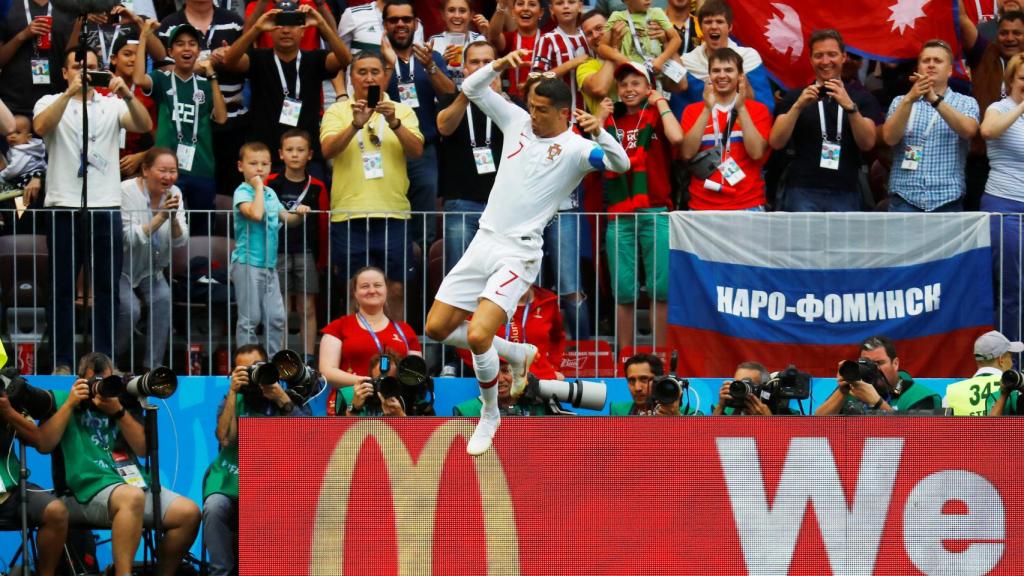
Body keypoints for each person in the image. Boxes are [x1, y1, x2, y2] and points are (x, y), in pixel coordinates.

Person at [423, 48, 629, 456]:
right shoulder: (516, 120)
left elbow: (619, 163)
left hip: (518, 253)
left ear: (564, 113)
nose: (531, 114)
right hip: (484, 239)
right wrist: (499, 64)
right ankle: (516, 354)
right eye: (531, 106)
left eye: (540, 109)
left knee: (480, 333)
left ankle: (490, 414)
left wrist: (600, 130)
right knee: (435, 330)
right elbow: (471, 87)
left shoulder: (575, 149)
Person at [32, 46, 153, 374]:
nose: (85, 73)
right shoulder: (48, 101)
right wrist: (70, 93)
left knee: (106, 289)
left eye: (93, 67)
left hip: (105, 204)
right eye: (78, 66)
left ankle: (104, 362)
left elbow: (143, 124)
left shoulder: (112, 105)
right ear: (64, 72)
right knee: (61, 288)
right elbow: (41, 126)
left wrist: (128, 93)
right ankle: (61, 361)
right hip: (62, 204)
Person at [36, 353, 200, 576]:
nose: (102, 389)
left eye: (108, 382)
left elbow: (143, 449)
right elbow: (43, 445)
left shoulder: (122, 403)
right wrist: (70, 404)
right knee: (131, 497)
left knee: (189, 513)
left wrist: (118, 412)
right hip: (79, 493)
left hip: (129, 485)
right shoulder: (62, 400)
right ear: (79, 380)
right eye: (96, 382)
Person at [320, 51, 424, 323]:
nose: (368, 78)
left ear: (386, 76)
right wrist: (355, 124)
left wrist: (394, 123)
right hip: (348, 214)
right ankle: (350, 356)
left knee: (396, 288)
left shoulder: (402, 110)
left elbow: (416, 151)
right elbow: (328, 149)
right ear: (351, 77)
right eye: (362, 72)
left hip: (393, 213)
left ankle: (398, 355)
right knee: (353, 288)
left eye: (375, 72)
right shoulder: (337, 111)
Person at [203, 344, 310, 576]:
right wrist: (232, 392)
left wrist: (282, 399)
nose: (251, 374)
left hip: (276, 485)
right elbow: (224, 438)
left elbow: (308, 441)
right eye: (243, 370)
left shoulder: (288, 396)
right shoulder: (231, 399)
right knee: (214, 507)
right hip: (234, 478)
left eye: (255, 367)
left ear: (267, 367)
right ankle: (220, 572)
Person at [603, 62, 682, 349]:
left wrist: (660, 100)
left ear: (648, 87)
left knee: (660, 289)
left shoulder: (657, 117)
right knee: (623, 290)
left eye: (636, 83)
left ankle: (659, 355)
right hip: (619, 214)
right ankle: (625, 358)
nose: (628, 89)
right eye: (623, 84)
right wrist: (599, 118)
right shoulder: (612, 122)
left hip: (655, 210)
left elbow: (677, 137)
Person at [222, 1, 351, 175]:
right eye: (279, 25)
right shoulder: (258, 58)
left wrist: (321, 24)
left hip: (306, 155)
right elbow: (229, 61)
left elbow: (344, 59)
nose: (285, 30)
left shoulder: (315, 59)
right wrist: (257, 28)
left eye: (293, 25)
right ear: (270, 29)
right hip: (265, 158)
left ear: (303, 30)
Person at [769, 29, 882, 212]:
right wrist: (798, 107)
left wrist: (850, 108)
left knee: (842, 242)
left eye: (832, 54)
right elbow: (776, 141)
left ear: (844, 57)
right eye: (819, 55)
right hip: (801, 189)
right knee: (803, 242)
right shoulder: (795, 96)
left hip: (846, 190)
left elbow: (868, 143)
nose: (825, 61)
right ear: (811, 59)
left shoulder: (861, 99)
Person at [135, 21, 228, 237]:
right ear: (170, 52)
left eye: (192, 44)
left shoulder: (205, 85)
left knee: (200, 231)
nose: (186, 49)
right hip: (165, 168)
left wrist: (211, 74)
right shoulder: (161, 79)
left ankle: (199, 271)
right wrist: (143, 38)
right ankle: (164, 270)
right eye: (180, 44)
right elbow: (139, 79)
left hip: (201, 166)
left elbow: (222, 118)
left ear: (198, 51)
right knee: (162, 224)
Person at [157, 0, 248, 204]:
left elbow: (247, 65)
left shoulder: (233, 22)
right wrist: (201, 65)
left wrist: (229, 57)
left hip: (231, 121)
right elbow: (162, 71)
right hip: (187, 124)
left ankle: (224, 236)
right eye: (181, 44)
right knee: (182, 195)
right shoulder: (169, 24)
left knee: (229, 193)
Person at [381, 0, 454, 250]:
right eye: (394, 20)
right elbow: (369, 99)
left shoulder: (429, 56)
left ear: (415, 24)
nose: (400, 24)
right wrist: (389, 64)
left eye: (406, 19)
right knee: (388, 215)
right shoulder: (375, 58)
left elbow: (449, 95)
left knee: (424, 221)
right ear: (385, 25)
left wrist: (431, 68)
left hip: (424, 149)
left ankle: (421, 281)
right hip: (386, 149)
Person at [881, 39, 980, 212]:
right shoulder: (900, 101)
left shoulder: (965, 102)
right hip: (904, 199)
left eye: (938, 61)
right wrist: (910, 99)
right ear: (918, 68)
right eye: (926, 61)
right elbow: (889, 138)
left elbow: (969, 131)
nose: (931, 65)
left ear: (950, 71)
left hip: (947, 199)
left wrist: (934, 99)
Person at [232, 141, 310, 357]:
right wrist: (258, 187)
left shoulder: (270, 194)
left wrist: (299, 214)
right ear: (241, 166)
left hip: (269, 265)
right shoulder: (243, 191)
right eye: (253, 163)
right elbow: (256, 214)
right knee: (250, 319)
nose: (260, 169)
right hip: (247, 263)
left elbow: (287, 219)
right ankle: (247, 367)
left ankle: (273, 365)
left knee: (276, 318)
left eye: (265, 164)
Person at [117, 148, 189, 372]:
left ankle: (153, 367)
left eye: (173, 171)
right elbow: (127, 238)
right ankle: (110, 361)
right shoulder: (126, 191)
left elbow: (180, 241)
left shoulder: (174, 191)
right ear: (145, 170)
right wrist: (160, 218)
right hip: (120, 268)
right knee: (131, 310)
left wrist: (173, 219)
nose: (169, 177)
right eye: (163, 171)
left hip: (152, 269)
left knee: (163, 299)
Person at [436, 40, 505, 271]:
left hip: (501, 207)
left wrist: (498, 97)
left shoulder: (511, 104)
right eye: (475, 62)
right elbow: (444, 127)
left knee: (499, 278)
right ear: (464, 69)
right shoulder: (450, 101)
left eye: (488, 62)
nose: (482, 67)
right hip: (461, 203)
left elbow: (526, 135)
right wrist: (468, 92)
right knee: (460, 276)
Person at [318, 266, 422, 415]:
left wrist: (388, 387)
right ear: (355, 293)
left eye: (378, 285)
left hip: (395, 407)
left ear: (386, 289)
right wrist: (369, 383)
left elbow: (415, 374)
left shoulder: (405, 331)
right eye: (365, 286)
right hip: (351, 406)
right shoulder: (338, 327)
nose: (372, 290)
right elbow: (327, 371)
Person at [680, 47, 771, 211]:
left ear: (740, 76)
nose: (722, 75)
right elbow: (687, 153)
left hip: (748, 204)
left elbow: (757, 153)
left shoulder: (758, 110)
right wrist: (706, 109)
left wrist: (741, 108)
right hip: (702, 205)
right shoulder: (693, 111)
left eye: (729, 70)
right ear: (709, 76)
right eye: (716, 70)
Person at [266, 129, 328, 363]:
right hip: (277, 251)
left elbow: (323, 225)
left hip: (306, 251)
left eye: (300, 150)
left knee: (307, 306)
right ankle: (281, 356)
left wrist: (323, 259)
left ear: (310, 155)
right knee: (279, 306)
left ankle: (309, 356)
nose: (294, 155)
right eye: (289, 150)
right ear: (280, 154)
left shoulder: (318, 186)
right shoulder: (271, 183)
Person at [0, 371, 69, 576]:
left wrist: (9, 413)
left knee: (56, 512)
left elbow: (40, 441)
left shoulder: (7, 391)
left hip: (10, 491)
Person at [980, 53, 1024, 346]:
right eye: (1023, 77)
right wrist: (1021, 106)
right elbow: (988, 131)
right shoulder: (999, 108)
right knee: (1011, 289)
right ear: (1010, 80)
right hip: (1006, 208)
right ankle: (1011, 361)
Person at [958, 6, 1022, 208]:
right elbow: (961, 18)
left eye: (1017, 33)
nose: (1009, 38)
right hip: (981, 158)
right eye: (1004, 33)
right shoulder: (984, 53)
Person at [673, 1, 773, 117]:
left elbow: (765, 108)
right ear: (700, 27)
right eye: (708, 22)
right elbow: (679, 111)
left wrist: (741, 80)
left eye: (719, 22)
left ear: (730, 27)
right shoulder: (688, 62)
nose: (714, 27)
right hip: (703, 132)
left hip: (742, 130)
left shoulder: (748, 57)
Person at [814, 336, 942, 415]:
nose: (874, 369)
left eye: (879, 363)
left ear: (895, 363)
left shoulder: (919, 396)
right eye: (867, 363)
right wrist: (842, 391)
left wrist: (877, 403)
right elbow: (816, 426)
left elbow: (921, 439)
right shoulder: (853, 389)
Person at [0, 0, 74, 117]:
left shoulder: (67, 7)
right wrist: (23, 35)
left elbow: (72, 57)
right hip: (13, 104)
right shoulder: (7, 6)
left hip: (55, 103)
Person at [103, 32, 158, 179]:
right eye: (127, 54)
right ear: (114, 59)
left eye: (138, 56)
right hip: (99, 166)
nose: (134, 60)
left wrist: (141, 157)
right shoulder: (98, 90)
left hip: (133, 172)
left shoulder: (148, 96)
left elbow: (161, 140)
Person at [602, 0, 682, 81]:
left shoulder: (657, 13)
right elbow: (602, 46)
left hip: (654, 76)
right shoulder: (617, 16)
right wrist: (619, 58)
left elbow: (676, 39)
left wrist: (661, 59)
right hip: (628, 76)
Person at [945, 330, 1019, 415]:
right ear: (1001, 359)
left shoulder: (951, 393)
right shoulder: (1015, 389)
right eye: (1010, 356)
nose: (1012, 362)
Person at [487, 0, 543, 104]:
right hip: (514, 104)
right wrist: (501, 6)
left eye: (532, 4)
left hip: (542, 102)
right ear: (513, 12)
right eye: (520, 4)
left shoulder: (549, 39)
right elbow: (493, 36)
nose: (525, 8)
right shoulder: (510, 38)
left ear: (541, 12)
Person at [453, 360, 555, 415]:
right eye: (492, 372)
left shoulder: (539, 406)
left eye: (506, 371)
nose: (500, 379)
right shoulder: (467, 411)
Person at [609, 353, 699, 415]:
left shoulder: (691, 414)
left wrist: (677, 418)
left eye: (644, 379)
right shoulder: (617, 411)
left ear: (659, 379)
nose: (637, 388)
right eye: (632, 380)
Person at [577, 9, 628, 114]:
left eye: (599, 28)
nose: (595, 35)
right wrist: (613, 49)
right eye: (589, 34)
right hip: (608, 129)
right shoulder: (585, 66)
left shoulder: (631, 53)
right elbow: (600, 89)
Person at [428, 0, 486, 87]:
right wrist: (441, 62)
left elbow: (486, 74)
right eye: (451, 10)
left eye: (462, 11)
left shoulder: (479, 40)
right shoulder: (434, 41)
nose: (457, 16)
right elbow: (427, 79)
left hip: (471, 96)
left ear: (471, 15)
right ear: (443, 14)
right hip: (443, 97)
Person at [244, 0, 336, 51]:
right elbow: (246, 40)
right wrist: (262, 4)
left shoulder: (314, 4)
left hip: (308, 71)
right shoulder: (258, 5)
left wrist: (320, 4)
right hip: (269, 71)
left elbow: (334, 37)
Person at [710, 361, 774, 416]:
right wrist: (721, 406)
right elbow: (712, 430)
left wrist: (767, 420)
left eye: (748, 384)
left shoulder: (777, 410)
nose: (740, 389)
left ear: (765, 390)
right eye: (738, 384)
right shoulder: (728, 409)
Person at [0, 114, 45, 190]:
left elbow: (15, 168)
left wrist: (2, 174)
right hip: (39, 174)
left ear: (28, 137)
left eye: (18, 132)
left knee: (15, 186)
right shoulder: (33, 148)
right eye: (9, 133)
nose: (12, 136)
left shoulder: (19, 150)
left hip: (29, 176)